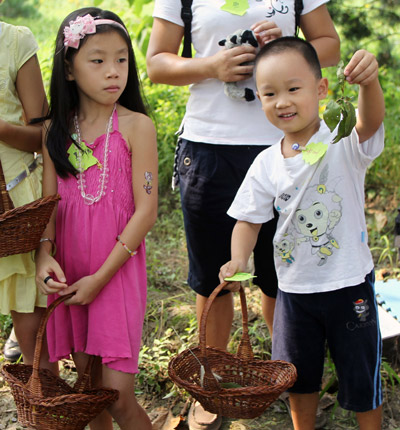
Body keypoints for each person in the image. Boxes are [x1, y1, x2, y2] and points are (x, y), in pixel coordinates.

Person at [146, 4, 339, 428]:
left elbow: (329, 44)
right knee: (215, 275)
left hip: (290, 149)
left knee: (286, 276)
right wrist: (213, 65)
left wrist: (286, 52)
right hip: (210, 148)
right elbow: (157, 63)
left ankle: (292, 382)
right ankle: (210, 387)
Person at [219, 36, 384, 430]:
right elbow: (248, 220)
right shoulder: (265, 164)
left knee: (362, 375)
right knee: (298, 376)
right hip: (294, 292)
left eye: (294, 89)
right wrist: (238, 258)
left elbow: (371, 121)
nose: (282, 101)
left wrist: (369, 83)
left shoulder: (342, 139)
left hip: (349, 286)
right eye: (270, 93)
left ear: (321, 89)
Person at [35, 8, 157, 430]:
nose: (113, 71)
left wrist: (100, 279)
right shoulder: (56, 130)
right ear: (69, 69)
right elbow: (49, 204)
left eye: (122, 59)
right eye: (98, 60)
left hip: (114, 274)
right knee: (89, 391)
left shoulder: (136, 126)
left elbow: (147, 211)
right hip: (71, 274)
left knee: (118, 397)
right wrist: (44, 254)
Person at [0, 13, 55, 371]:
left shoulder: (14, 42)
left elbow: (42, 134)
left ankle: (52, 404)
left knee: (34, 329)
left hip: (16, 203)